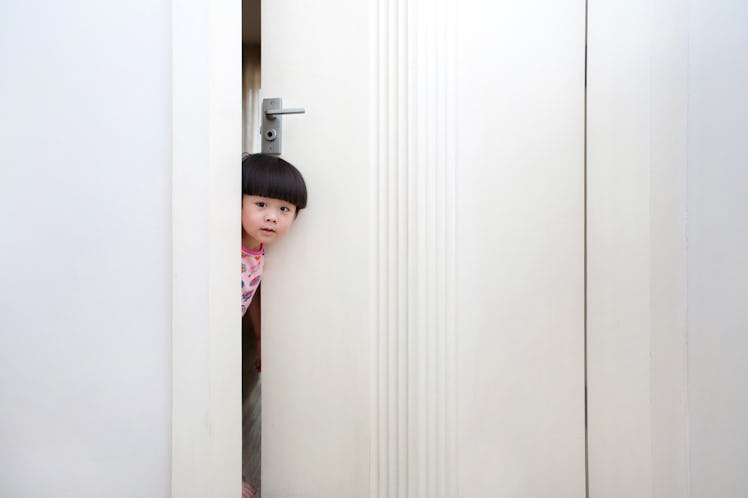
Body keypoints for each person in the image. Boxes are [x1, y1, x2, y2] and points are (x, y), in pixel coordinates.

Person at [240, 153, 307, 498]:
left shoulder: (259, 249)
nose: (271, 217)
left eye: (285, 209)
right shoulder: (228, 246)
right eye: (261, 203)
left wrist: (261, 337)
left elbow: (254, 293)